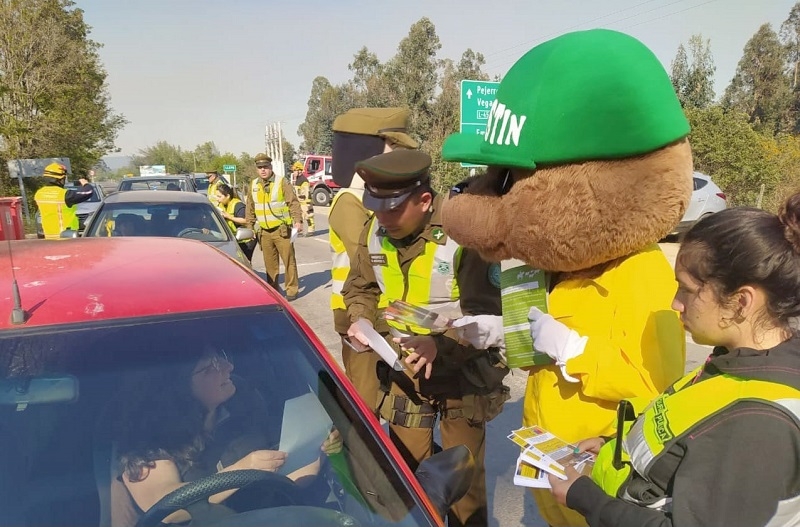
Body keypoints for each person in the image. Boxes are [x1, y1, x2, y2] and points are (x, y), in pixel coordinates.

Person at [547, 194, 800, 527]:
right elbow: (682, 431)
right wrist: (614, 445)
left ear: (740, 302)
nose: (675, 303)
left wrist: (584, 497)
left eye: (687, 290)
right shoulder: (736, 362)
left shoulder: (759, 424)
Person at [343, 149, 509, 527]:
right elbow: (360, 288)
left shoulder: (462, 236)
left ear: (424, 200)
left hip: (462, 374)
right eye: (377, 207)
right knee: (407, 474)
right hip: (404, 371)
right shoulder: (374, 230)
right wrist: (361, 321)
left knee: (463, 483)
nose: (382, 218)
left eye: (393, 208)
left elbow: (489, 315)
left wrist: (441, 345)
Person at [113, 345, 342, 525]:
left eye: (221, 356)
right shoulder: (144, 441)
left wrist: (317, 447)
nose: (228, 366)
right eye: (211, 366)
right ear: (177, 386)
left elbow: (285, 478)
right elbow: (166, 507)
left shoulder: (242, 403)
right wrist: (244, 469)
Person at [328, 107, 419, 413]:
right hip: (358, 318)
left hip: (382, 317)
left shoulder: (370, 200)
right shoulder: (349, 202)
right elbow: (369, 260)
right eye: (393, 150)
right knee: (365, 402)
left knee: (393, 400)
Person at [245, 154, 303, 300]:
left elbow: (293, 202)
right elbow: (250, 207)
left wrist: (297, 220)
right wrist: (250, 226)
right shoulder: (254, 185)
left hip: (281, 230)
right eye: (260, 168)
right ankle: (273, 290)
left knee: (288, 260)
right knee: (270, 264)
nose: (263, 170)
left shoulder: (281, 182)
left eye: (265, 167)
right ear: (257, 169)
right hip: (264, 231)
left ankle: (291, 289)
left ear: (271, 167)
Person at [34, 162, 94, 239]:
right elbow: (88, 192)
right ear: (59, 180)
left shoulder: (39, 194)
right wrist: (86, 184)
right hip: (66, 237)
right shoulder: (63, 194)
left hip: (49, 238)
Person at [216, 183, 256, 262]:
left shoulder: (238, 205)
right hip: (231, 240)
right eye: (216, 196)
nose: (217, 199)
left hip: (245, 241)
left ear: (227, 196)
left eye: (219, 196)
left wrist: (229, 217)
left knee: (244, 263)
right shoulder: (221, 205)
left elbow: (246, 221)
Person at [290, 161, 315, 237]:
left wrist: (304, 203)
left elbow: (305, 193)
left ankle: (311, 230)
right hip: (299, 202)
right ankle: (299, 231)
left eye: (295, 170)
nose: (294, 172)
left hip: (305, 202)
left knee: (308, 216)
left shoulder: (303, 180)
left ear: (299, 170)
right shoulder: (297, 180)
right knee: (298, 217)